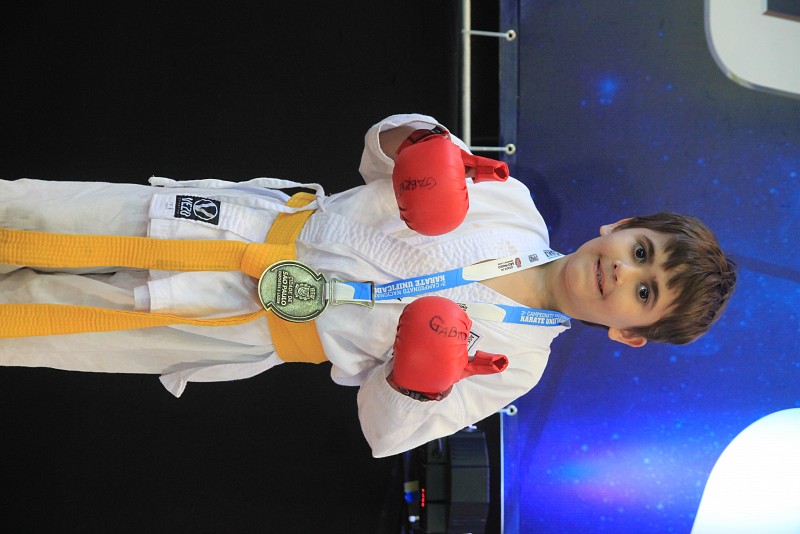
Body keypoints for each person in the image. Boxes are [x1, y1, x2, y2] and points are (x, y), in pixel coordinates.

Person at [0, 113, 736, 458]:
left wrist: (417, 384)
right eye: (641, 251)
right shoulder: (510, 202)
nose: (625, 271)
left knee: (36, 327)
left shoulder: (517, 367)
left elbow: (386, 434)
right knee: (27, 214)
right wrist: (419, 147)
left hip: (241, 326)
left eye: (645, 292)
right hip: (236, 228)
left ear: (628, 334)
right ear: (621, 225)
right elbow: (378, 149)